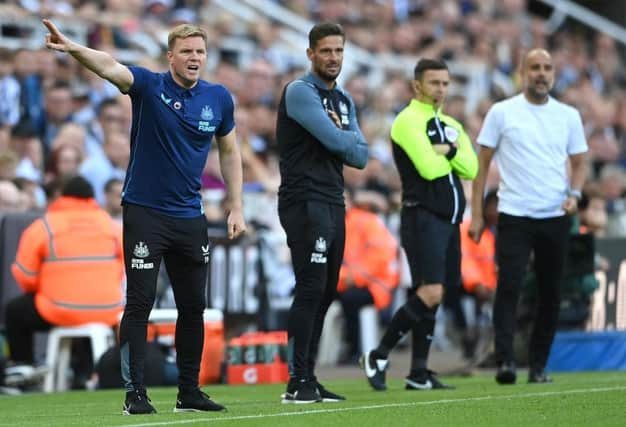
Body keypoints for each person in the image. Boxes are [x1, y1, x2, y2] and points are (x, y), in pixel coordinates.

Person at [42, 19, 246, 414]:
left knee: (193, 307)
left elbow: (230, 151)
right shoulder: (150, 87)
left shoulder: (218, 98)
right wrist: (74, 48)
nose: (194, 58)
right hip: (145, 213)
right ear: (170, 55)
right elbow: (110, 66)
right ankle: (135, 394)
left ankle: (189, 391)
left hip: (190, 216)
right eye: (186, 51)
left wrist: (236, 204)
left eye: (200, 52)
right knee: (140, 304)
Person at [469, 49, 588, 385]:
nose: (541, 73)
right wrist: (477, 215)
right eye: (534, 67)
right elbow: (482, 166)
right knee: (509, 286)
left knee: (551, 292)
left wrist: (575, 195)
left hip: (554, 214)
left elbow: (579, 162)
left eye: (547, 68)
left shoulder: (568, 115)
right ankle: (505, 360)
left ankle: (538, 365)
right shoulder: (502, 112)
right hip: (515, 213)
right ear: (522, 72)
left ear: (553, 74)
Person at [361, 58, 478, 391]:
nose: (440, 89)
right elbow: (428, 168)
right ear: (417, 86)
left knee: (437, 293)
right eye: (434, 83)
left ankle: (419, 373)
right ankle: (379, 355)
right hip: (421, 215)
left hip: (448, 221)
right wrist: (450, 154)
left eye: (444, 83)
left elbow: (471, 168)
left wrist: (448, 148)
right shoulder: (407, 121)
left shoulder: (450, 124)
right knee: (430, 291)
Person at [276, 22, 368, 403]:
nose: (333, 58)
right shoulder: (300, 92)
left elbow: (361, 157)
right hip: (304, 199)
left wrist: (341, 139)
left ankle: (308, 377)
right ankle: (297, 379)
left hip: (333, 198)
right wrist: (342, 139)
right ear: (310, 53)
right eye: (326, 51)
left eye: (339, 51)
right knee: (311, 287)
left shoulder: (343, 100)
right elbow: (339, 142)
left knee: (327, 291)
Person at [8, 176, 124, 381]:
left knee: (14, 311)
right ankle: (86, 372)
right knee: (86, 321)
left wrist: (43, 288)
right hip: (108, 310)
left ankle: (23, 366)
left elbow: (24, 275)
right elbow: (126, 268)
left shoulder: (44, 227)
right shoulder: (113, 226)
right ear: (92, 198)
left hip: (58, 308)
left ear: (63, 197)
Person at [336, 189, 399, 364]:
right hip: (347, 282)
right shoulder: (333, 223)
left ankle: (356, 350)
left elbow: (380, 257)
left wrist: (350, 277)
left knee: (350, 299)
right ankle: (314, 354)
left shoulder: (367, 221)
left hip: (377, 284)